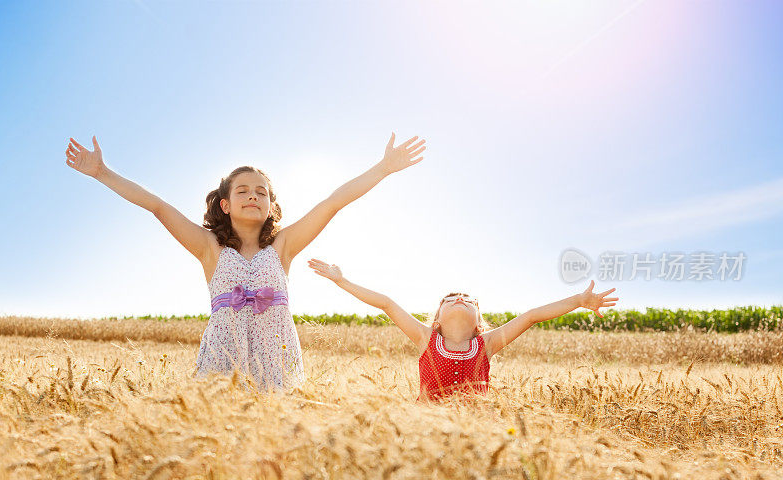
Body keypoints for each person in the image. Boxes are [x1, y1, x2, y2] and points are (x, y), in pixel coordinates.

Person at [65, 133, 426, 392]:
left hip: (276, 353)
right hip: (225, 353)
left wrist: (383, 168)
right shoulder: (209, 248)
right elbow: (158, 206)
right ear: (225, 204)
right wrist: (102, 173)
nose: (253, 196)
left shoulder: (284, 246)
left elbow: (333, 202)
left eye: (261, 192)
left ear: (271, 205)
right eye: (242, 191)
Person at [307, 259, 618, 402]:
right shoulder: (426, 338)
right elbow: (387, 303)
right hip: (424, 425)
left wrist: (579, 299)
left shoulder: (487, 344)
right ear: (437, 319)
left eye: (468, 299)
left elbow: (533, 316)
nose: (459, 298)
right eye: (450, 298)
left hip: (474, 429)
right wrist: (341, 281)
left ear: (479, 321)